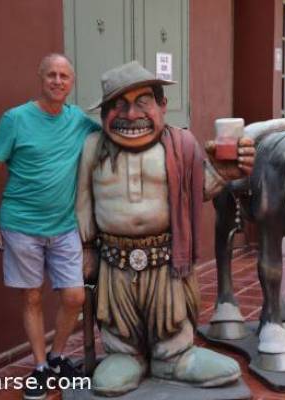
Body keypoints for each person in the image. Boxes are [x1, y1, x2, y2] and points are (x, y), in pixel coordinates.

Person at [76, 61, 255, 396]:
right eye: (118, 105)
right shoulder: (93, 148)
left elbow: (200, 188)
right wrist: (86, 247)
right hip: (113, 260)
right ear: (103, 114)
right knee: (117, 319)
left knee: (170, 316)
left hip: (166, 258)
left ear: (162, 106)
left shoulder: (181, 145)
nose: (131, 115)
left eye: (143, 102)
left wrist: (227, 172)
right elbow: (83, 199)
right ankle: (124, 354)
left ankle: (174, 355)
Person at [0, 53, 101, 400]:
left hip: (63, 226)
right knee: (32, 296)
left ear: (72, 82)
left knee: (75, 296)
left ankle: (58, 355)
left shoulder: (78, 119)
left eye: (64, 76)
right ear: (40, 77)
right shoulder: (15, 119)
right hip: (20, 225)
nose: (58, 81)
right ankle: (39, 367)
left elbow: (112, 134)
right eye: (51, 75)